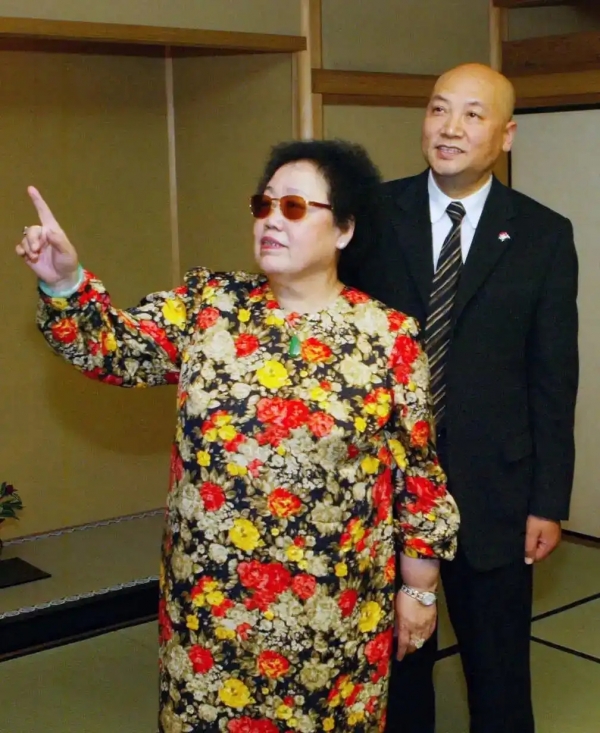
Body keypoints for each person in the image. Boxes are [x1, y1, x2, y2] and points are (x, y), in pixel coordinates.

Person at [18, 139, 460, 733]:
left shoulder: (389, 337)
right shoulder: (210, 306)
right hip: (211, 608)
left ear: (345, 229)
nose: (272, 218)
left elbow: (418, 475)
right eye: (264, 204)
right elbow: (114, 350)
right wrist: (64, 283)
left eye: (295, 207)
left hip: (333, 615)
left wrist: (421, 590)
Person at [339, 63, 579, 733]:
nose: (449, 128)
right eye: (439, 109)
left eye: (473, 114)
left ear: (506, 134)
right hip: (383, 485)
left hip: (495, 489)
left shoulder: (542, 233)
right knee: (395, 672)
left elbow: (552, 376)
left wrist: (548, 498)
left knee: (499, 676)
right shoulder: (370, 216)